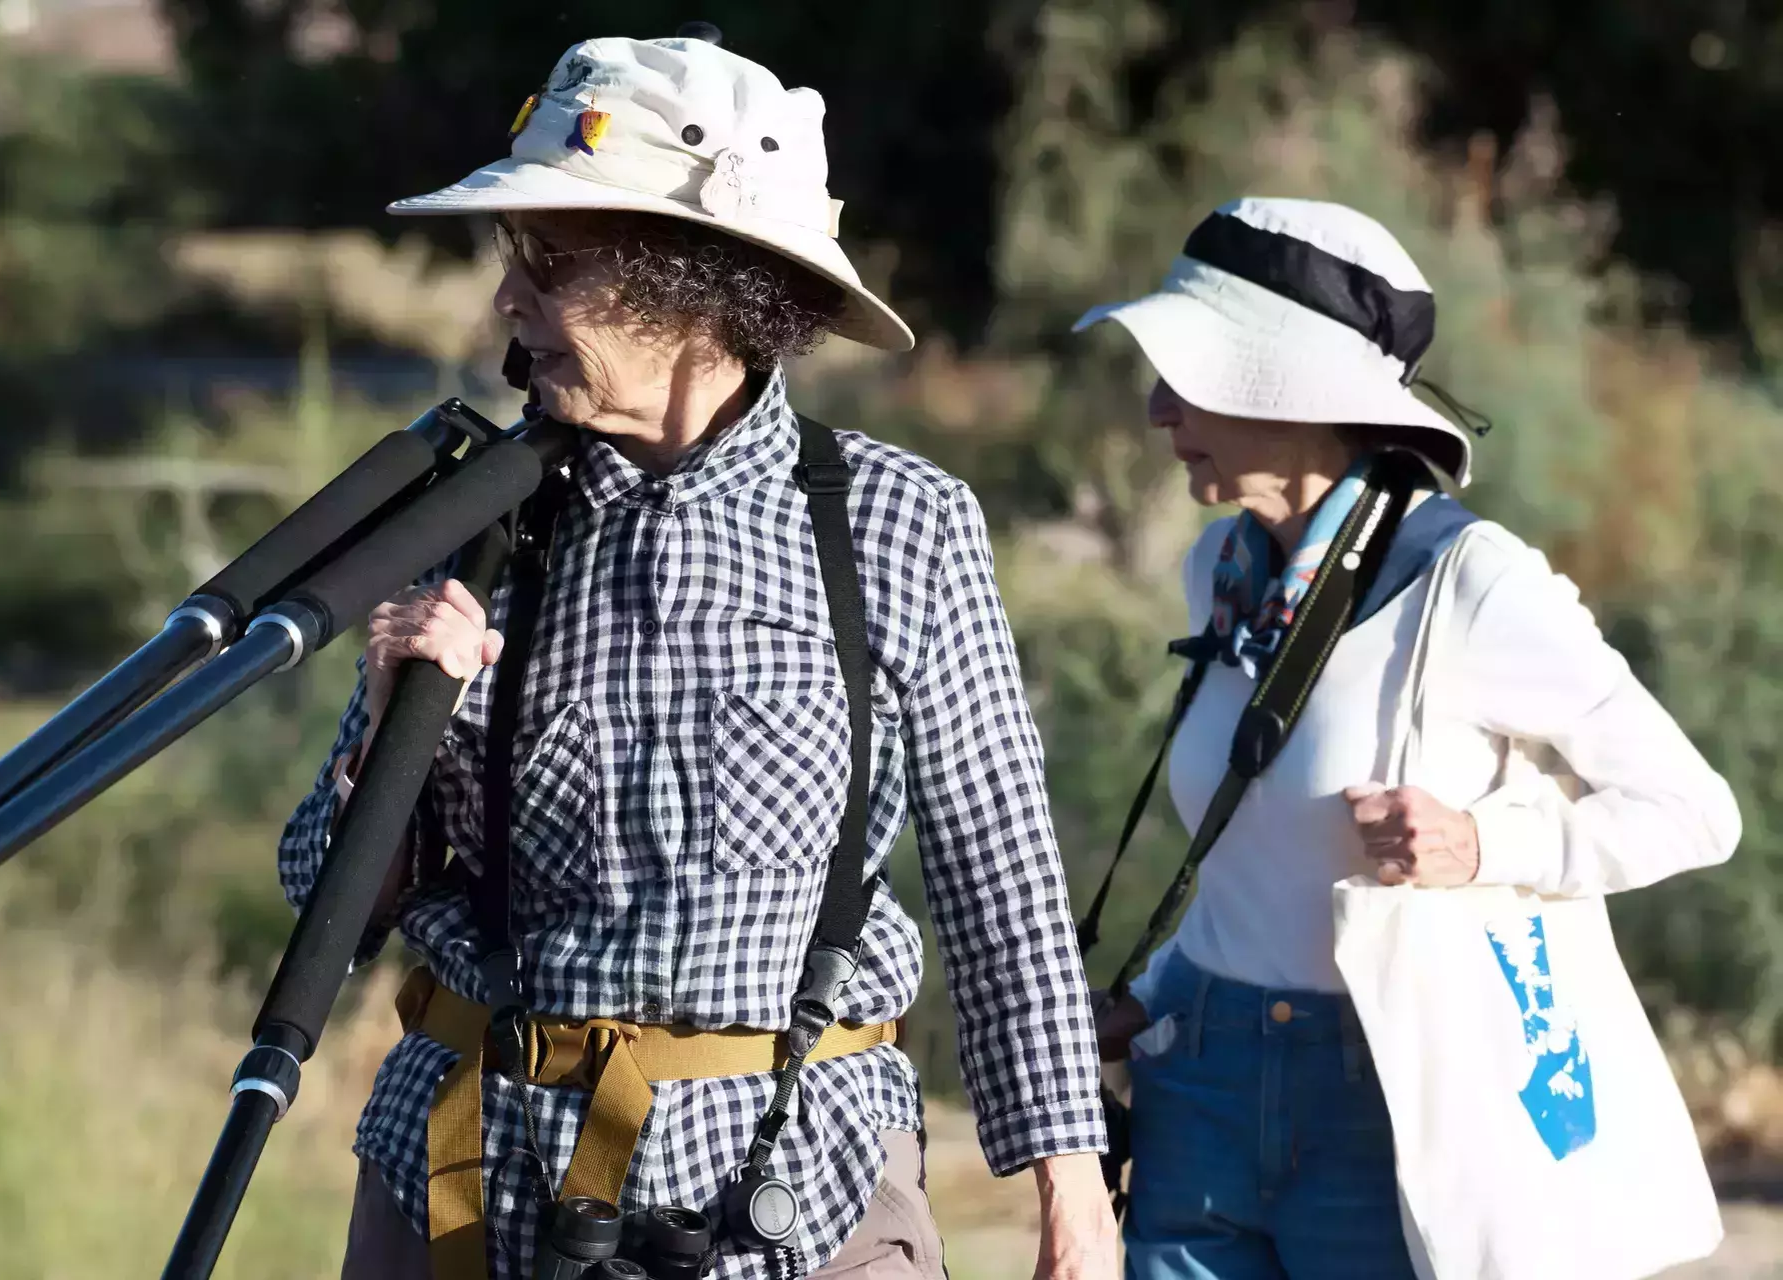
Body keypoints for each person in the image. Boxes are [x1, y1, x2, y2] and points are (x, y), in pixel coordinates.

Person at [277, 27, 1117, 1280]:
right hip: (474, 1184)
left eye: (550, 264)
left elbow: (1003, 879)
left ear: (695, 281)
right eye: (517, 260)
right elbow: (328, 904)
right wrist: (394, 713)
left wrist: (1073, 1197)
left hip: (803, 1186)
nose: (509, 302)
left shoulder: (898, 522)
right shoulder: (470, 521)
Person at [1077, 197, 1742, 1280]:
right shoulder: (1221, 570)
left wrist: (1486, 843)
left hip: (1384, 1092)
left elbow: (1696, 808)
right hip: (1195, 1076)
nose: (1156, 409)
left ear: (1287, 389)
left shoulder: (1468, 580)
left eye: (1185, 378)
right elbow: (1251, 852)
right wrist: (1152, 995)